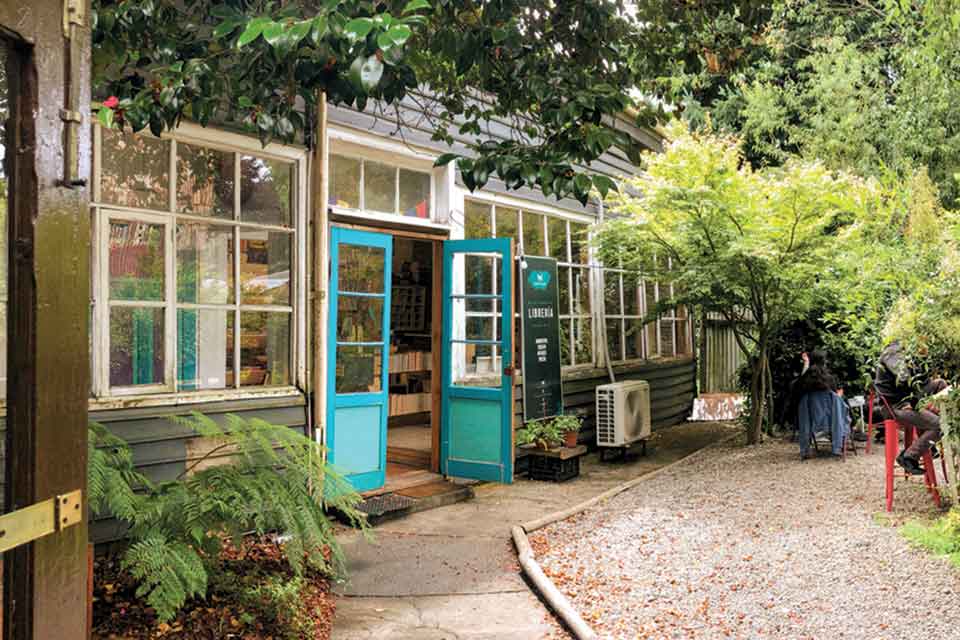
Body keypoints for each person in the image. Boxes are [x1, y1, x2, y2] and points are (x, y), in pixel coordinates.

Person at [873, 341, 948, 475]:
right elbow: (905, 378)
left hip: (908, 398)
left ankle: (926, 437)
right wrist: (914, 403)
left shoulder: (907, 349)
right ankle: (909, 456)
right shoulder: (892, 352)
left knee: (940, 384)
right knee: (942, 424)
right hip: (895, 405)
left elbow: (922, 381)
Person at [793, 350, 849, 458]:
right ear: (824, 362)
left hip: (810, 419)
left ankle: (805, 450)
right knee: (842, 406)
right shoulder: (830, 379)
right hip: (831, 418)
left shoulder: (804, 380)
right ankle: (837, 446)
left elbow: (797, 394)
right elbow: (836, 397)